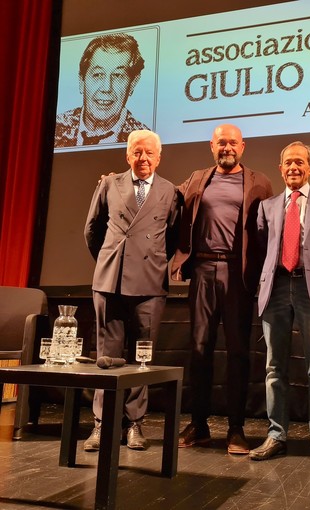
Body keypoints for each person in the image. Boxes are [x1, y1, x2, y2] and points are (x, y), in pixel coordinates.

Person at [171, 124, 273, 455]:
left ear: (242, 146)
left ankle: (236, 430)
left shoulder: (260, 182)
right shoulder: (197, 179)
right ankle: (199, 425)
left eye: (232, 143)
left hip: (237, 273)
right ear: (211, 146)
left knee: (239, 352)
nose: (226, 147)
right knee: (199, 349)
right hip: (202, 269)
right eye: (220, 143)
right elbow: (167, 199)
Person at [83, 129, 179, 451]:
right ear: (127, 155)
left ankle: (135, 424)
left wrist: (150, 262)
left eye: (150, 153)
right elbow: (92, 229)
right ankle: (102, 423)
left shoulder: (170, 191)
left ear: (159, 157)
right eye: (137, 152)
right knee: (106, 356)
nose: (143, 158)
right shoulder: (109, 184)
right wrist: (111, 259)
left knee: (142, 357)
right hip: (110, 281)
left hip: (149, 284)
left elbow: (175, 236)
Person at [249, 141, 310, 467]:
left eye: (300, 162)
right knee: (275, 369)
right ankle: (276, 435)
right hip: (275, 288)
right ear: (280, 167)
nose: (293, 168)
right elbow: (261, 247)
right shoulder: (267, 206)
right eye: (288, 163)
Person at [55, 32, 149, 148]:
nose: (106, 88)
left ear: (132, 84)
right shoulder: (55, 127)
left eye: (118, 76)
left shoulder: (145, 140)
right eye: (98, 75)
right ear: (82, 80)